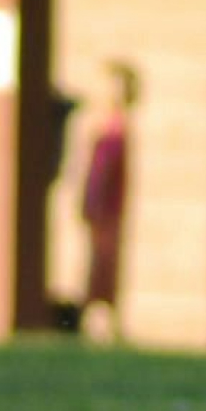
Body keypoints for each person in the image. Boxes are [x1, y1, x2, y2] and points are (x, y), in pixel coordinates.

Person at [77, 60, 138, 342]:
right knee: (100, 263)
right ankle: (91, 320)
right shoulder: (109, 127)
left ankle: (106, 322)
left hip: (111, 207)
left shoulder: (119, 125)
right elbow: (99, 170)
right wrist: (91, 201)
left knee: (108, 264)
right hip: (103, 207)